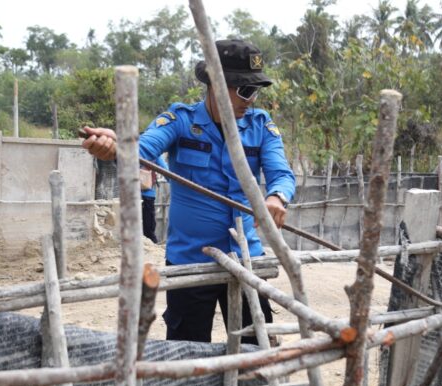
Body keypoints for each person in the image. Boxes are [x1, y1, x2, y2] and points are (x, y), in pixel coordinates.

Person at [82, 39, 295, 345]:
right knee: (187, 349)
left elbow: (282, 175)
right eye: (245, 90)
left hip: (247, 258)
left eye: (255, 91)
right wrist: (115, 145)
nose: (251, 99)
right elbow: (140, 149)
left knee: (257, 348)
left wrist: (277, 196)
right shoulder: (180, 121)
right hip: (190, 262)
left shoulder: (262, 126)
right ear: (217, 86)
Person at [141, 155, 168, 243]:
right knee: (148, 229)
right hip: (147, 194)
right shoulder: (153, 153)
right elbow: (165, 169)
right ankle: (151, 244)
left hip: (129, 194)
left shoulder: (129, 149)